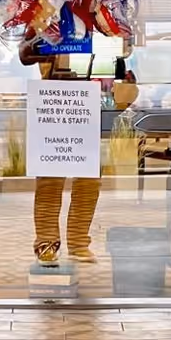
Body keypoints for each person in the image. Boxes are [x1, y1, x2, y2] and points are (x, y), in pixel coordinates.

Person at [27, 49, 102, 265]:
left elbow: (121, 51)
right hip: (52, 101)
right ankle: (46, 243)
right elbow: (24, 54)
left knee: (89, 180)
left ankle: (79, 243)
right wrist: (48, 50)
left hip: (87, 103)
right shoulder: (45, 20)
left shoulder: (100, 19)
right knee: (49, 178)